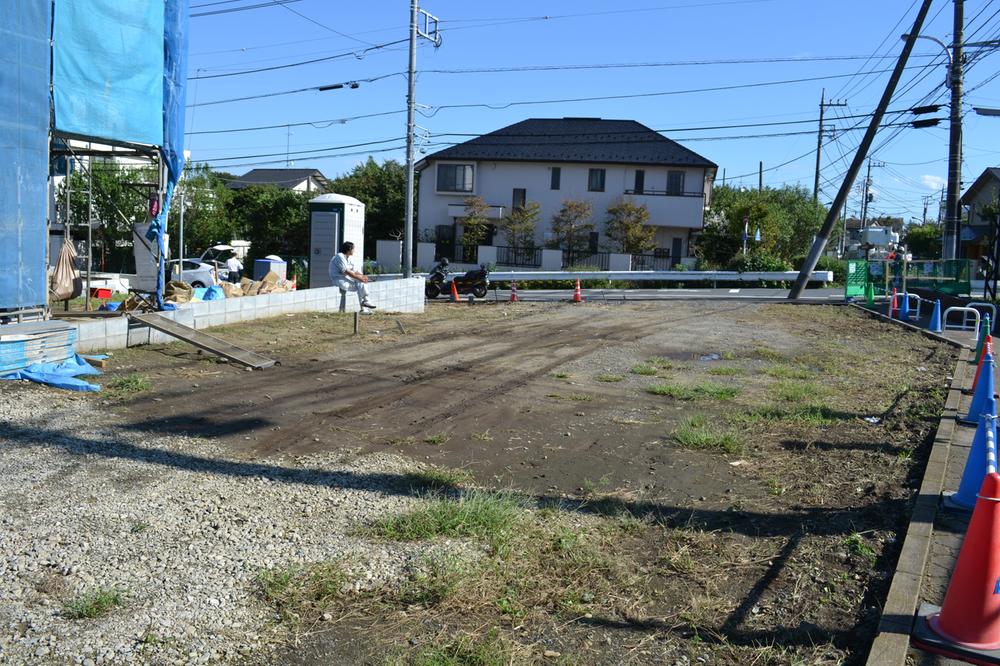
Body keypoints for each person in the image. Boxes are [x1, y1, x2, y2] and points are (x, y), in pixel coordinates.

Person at [330, 241, 376, 310]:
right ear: (349, 249)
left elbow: (354, 271)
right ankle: (365, 303)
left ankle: (365, 306)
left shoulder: (348, 258)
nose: (354, 250)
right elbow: (347, 271)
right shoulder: (339, 256)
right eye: (353, 249)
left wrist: (363, 276)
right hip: (338, 280)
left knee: (360, 283)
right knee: (360, 282)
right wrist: (360, 278)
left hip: (344, 278)